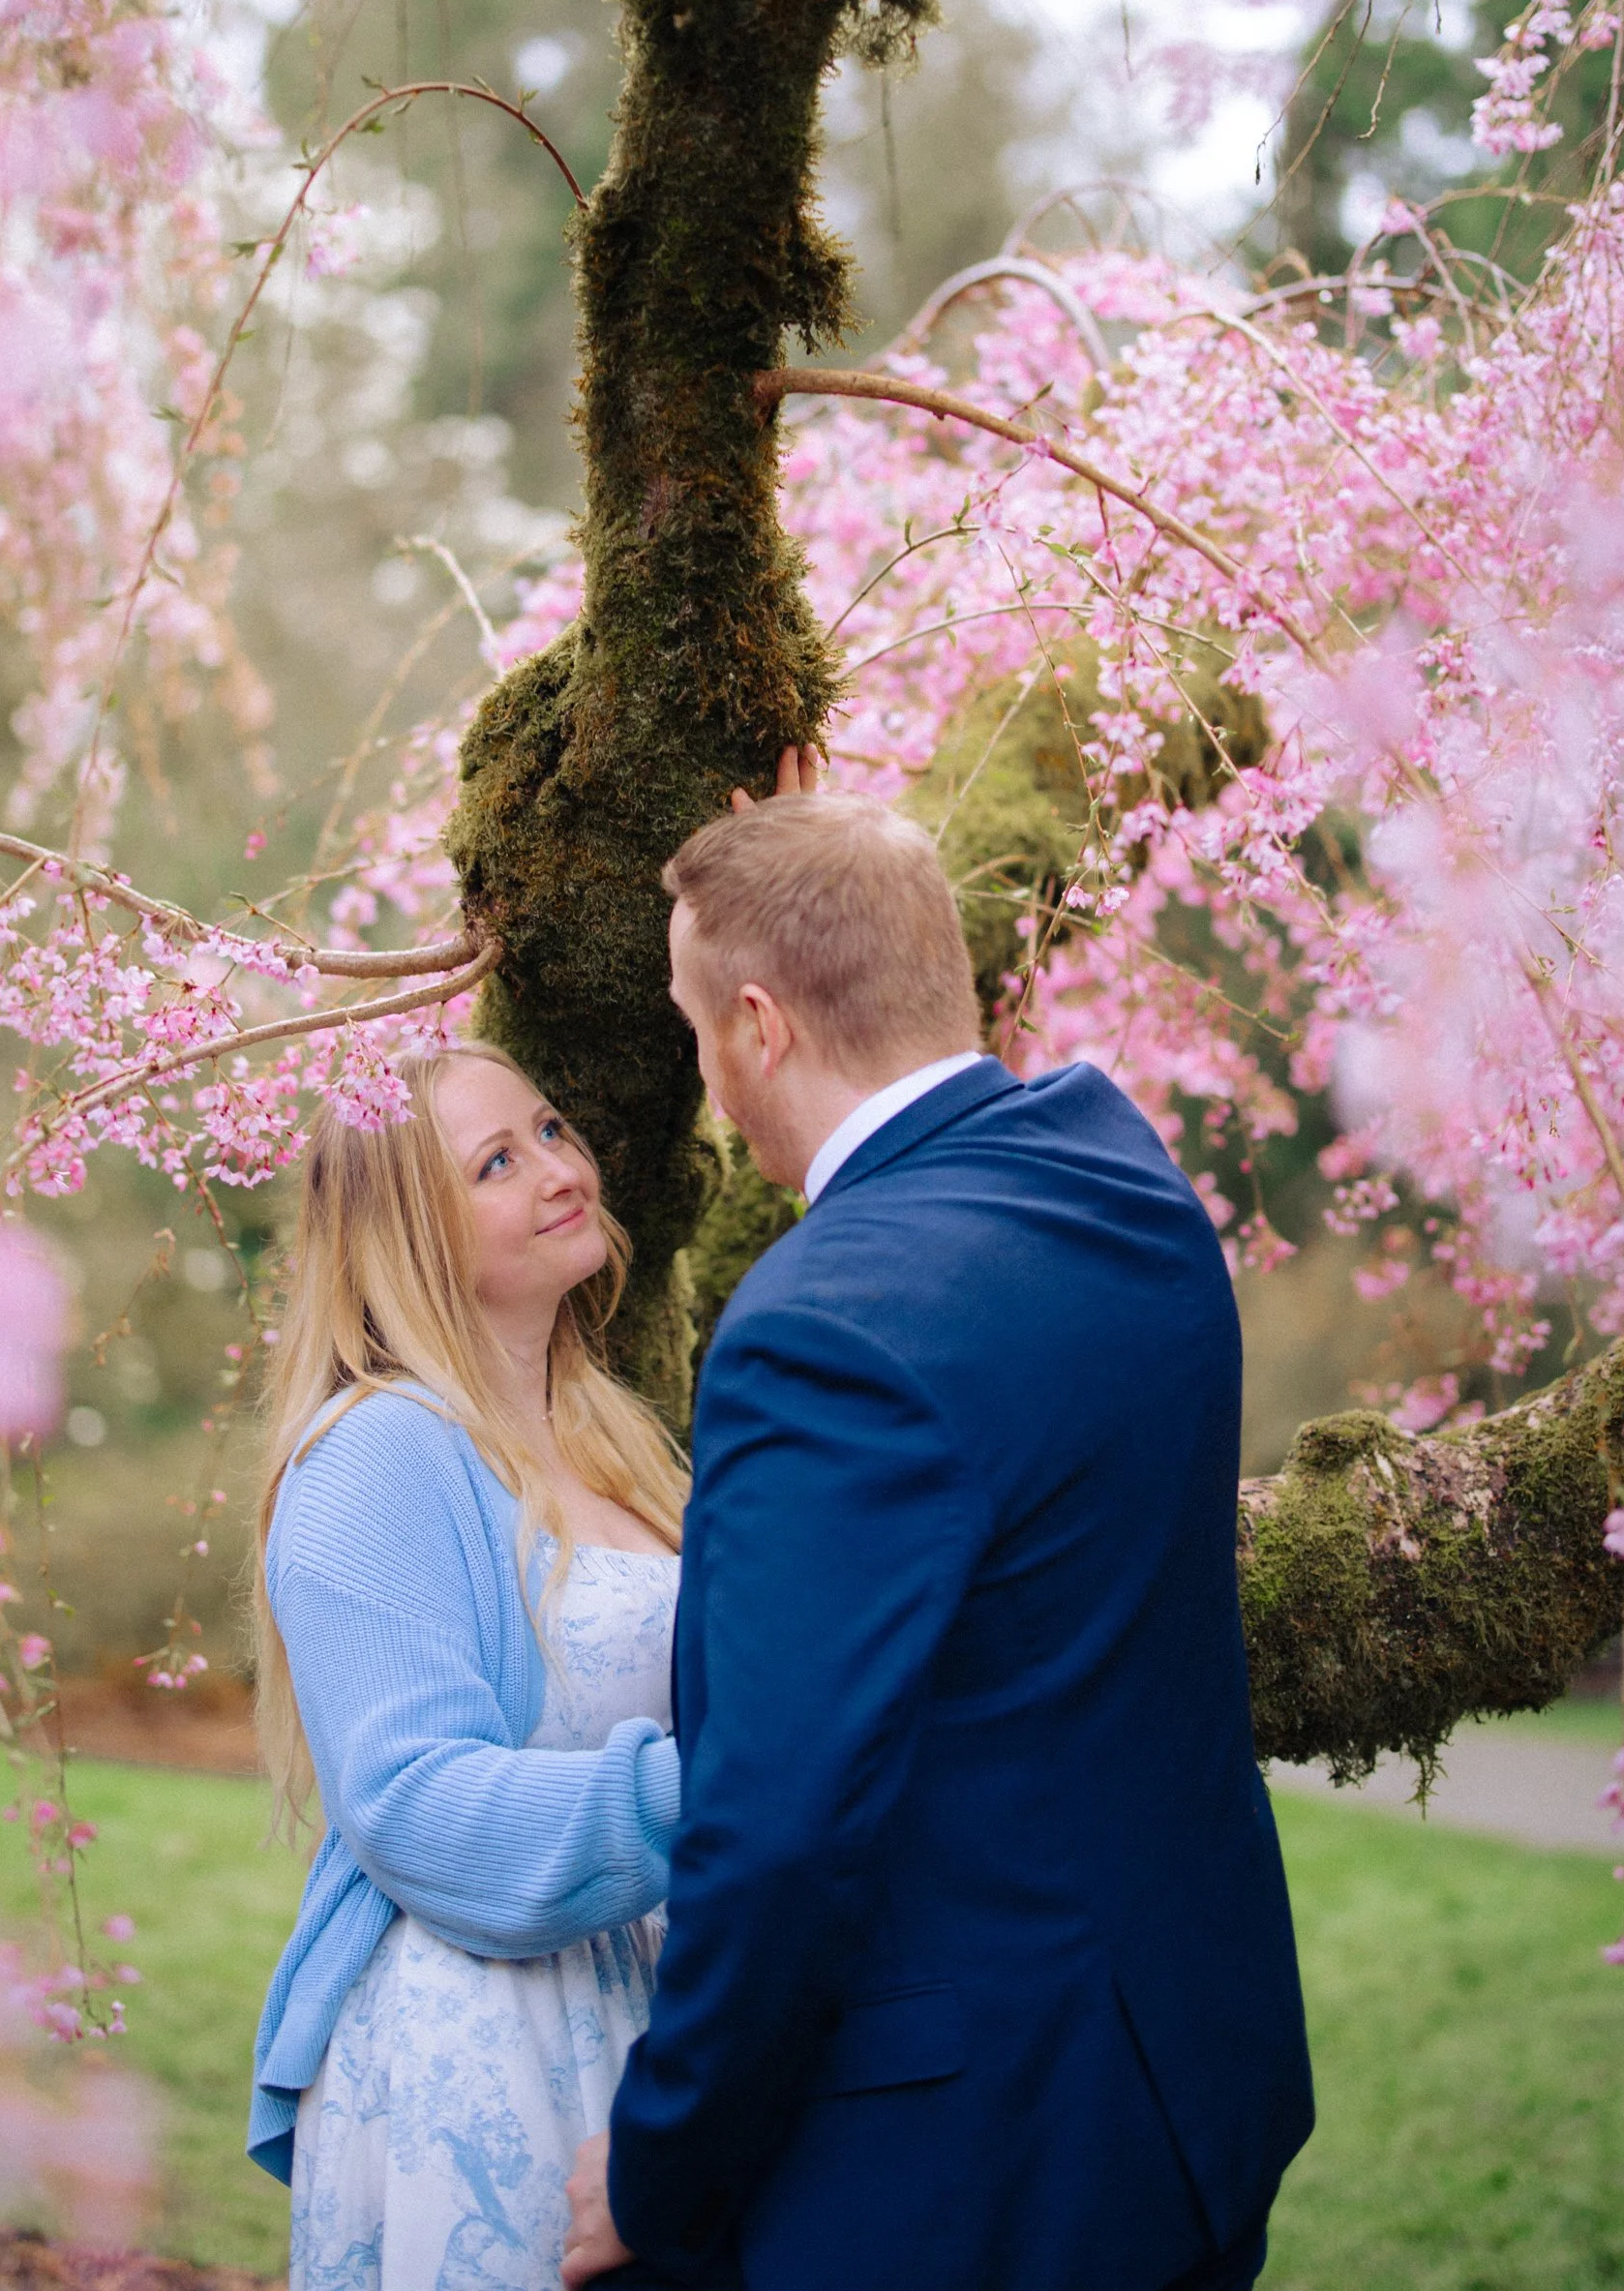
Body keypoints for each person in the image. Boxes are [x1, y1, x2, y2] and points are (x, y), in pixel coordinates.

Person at [561, 768, 1313, 2291]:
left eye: (700, 1024)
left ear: (760, 1027)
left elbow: (778, 1834)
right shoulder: (1127, 1186)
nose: (705, 1069)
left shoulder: (823, 1330)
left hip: (973, 2167)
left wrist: (663, 2172)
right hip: (1192, 2086)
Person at [247, 1040, 688, 2291]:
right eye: (497, 1162)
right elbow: (416, 1803)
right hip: (490, 2039)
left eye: (548, 1129)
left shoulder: (616, 1438)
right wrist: (719, 1794)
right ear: (411, 1238)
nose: (558, 1170)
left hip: (646, 2008)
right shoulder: (373, 1457)